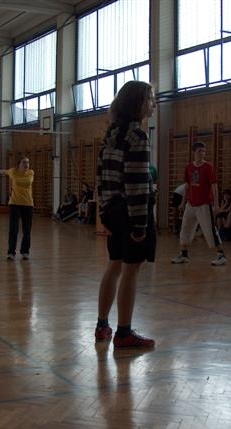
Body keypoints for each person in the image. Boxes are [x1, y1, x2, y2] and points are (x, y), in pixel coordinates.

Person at [95, 80, 157, 349]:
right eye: (150, 99)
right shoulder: (137, 137)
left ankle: (102, 326)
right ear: (138, 103)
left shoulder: (111, 135)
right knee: (131, 271)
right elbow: (136, 184)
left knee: (114, 266)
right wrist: (140, 226)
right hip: (131, 214)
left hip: (113, 210)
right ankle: (124, 333)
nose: (154, 105)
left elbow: (100, 178)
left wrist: (104, 212)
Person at [171, 141, 227, 266]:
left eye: (204, 151)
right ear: (194, 152)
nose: (202, 153)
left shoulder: (208, 167)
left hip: (204, 204)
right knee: (185, 229)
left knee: (210, 230)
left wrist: (216, 204)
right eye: (199, 151)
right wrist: (183, 202)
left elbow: (214, 186)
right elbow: (187, 186)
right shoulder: (189, 168)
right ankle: (184, 254)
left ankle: (221, 255)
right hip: (191, 204)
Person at [0, 157, 34, 260]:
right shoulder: (13, 171)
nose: (26, 164)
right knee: (13, 229)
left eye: (28, 162)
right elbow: (6, 171)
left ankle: (25, 251)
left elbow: (26, 182)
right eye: (24, 162)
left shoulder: (31, 173)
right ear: (19, 164)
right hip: (14, 204)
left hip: (28, 204)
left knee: (27, 230)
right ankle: (11, 253)